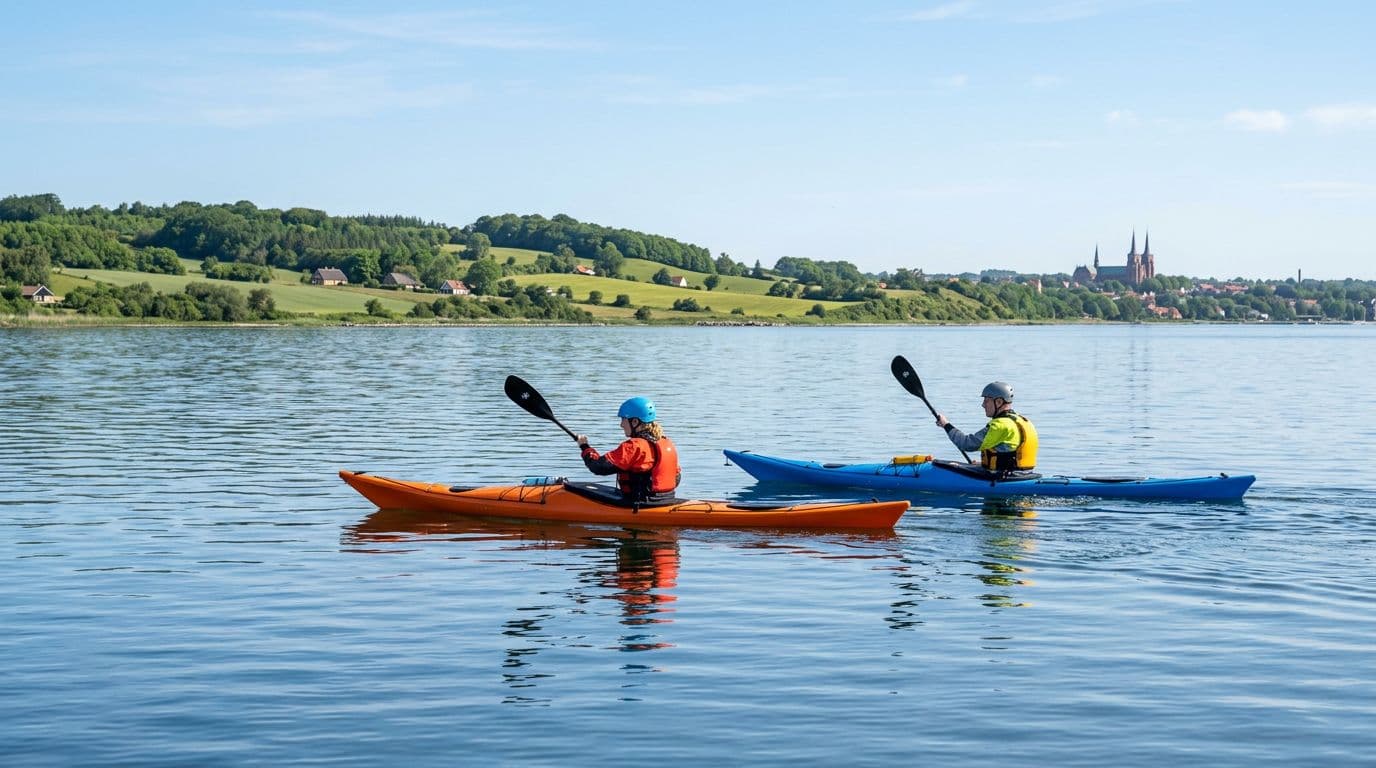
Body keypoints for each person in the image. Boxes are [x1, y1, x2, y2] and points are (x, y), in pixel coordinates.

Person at [576, 396, 682, 504]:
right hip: (667, 500)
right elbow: (676, 479)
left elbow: (598, 467)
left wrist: (585, 447)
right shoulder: (667, 443)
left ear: (635, 421)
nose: (621, 425)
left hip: (640, 504)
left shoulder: (634, 446)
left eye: (623, 420)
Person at [934, 381, 1039, 471]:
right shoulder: (1022, 421)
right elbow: (1010, 455)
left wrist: (946, 425)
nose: (983, 405)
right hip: (1023, 474)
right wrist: (982, 464)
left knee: (945, 466)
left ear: (998, 402)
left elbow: (966, 444)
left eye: (986, 400)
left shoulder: (1000, 425)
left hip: (1002, 478)